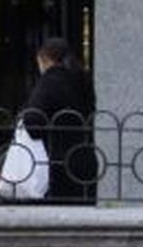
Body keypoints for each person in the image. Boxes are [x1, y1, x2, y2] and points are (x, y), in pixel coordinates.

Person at [20, 37, 96, 202]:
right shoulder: (83, 80)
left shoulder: (49, 81)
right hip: (85, 158)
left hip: (57, 161)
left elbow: (33, 119)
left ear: (44, 60)